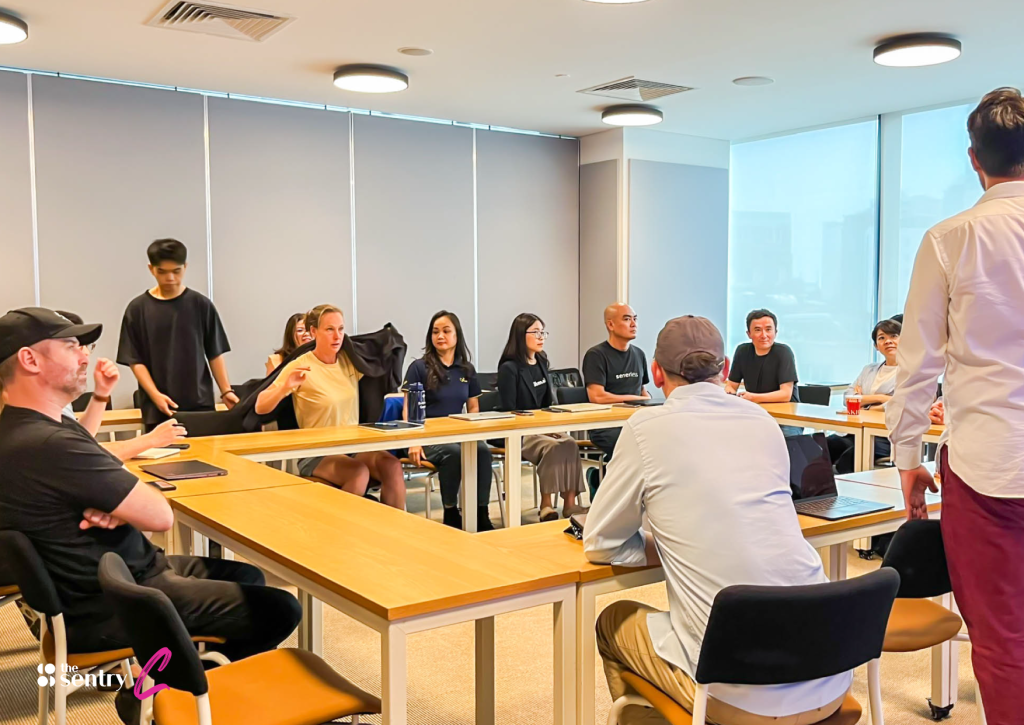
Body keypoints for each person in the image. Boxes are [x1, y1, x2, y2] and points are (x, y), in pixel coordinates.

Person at [0, 307, 301, 724]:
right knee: (282, 608)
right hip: (116, 602)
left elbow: (105, 470)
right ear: (30, 360)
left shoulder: (25, 428)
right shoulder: (48, 442)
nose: (85, 355)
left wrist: (115, 504)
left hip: (111, 580)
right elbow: (159, 514)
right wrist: (123, 502)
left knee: (246, 576)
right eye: (71, 346)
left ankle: (158, 691)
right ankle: (162, 697)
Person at [584, 315, 851, 725]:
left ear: (655, 374)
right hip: (829, 679)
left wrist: (668, 544)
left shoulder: (647, 428)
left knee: (612, 621)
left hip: (738, 696)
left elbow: (601, 544)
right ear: (725, 369)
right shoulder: (763, 421)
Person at [887, 87, 1024, 724]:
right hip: (986, 466)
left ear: (975, 160)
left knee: (1002, 642)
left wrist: (908, 456)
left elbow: (917, 364)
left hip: (986, 470)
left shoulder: (951, 238)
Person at [255, 305, 406, 509]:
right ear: (313, 332)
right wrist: (284, 387)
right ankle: (338, 535)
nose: (337, 336)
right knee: (358, 472)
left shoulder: (349, 361)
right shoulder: (301, 365)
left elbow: (378, 357)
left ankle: (392, 535)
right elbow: (260, 406)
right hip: (317, 453)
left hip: (352, 448)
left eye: (341, 329)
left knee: (392, 466)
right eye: (329, 329)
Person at [117, 239, 239, 431]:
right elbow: (135, 360)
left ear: (185, 267)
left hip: (199, 404)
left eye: (176, 271)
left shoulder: (200, 304)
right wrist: (155, 395)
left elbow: (214, 352)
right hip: (158, 407)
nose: (170, 278)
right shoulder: (137, 309)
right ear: (151, 269)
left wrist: (226, 391)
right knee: (162, 460)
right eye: (162, 272)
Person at [49, 311, 188, 461]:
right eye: (73, 347)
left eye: (84, 346)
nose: (86, 356)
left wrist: (101, 394)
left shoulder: (56, 395)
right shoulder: (38, 407)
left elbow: (81, 439)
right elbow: (79, 455)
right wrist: (151, 440)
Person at [403, 311, 494, 530]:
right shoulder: (418, 368)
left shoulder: (466, 370)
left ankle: (481, 512)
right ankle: (451, 513)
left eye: (446, 331)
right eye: (435, 332)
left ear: (456, 336)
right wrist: (413, 440)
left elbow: (473, 407)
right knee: (453, 454)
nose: (440, 336)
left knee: (482, 451)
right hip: (427, 436)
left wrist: (474, 433)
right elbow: (408, 410)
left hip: (458, 433)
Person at [497, 313, 587, 521]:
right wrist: (537, 427)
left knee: (570, 442)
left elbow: (547, 403)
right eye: (535, 332)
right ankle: (546, 504)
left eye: (543, 332)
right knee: (553, 446)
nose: (541, 337)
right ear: (521, 335)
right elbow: (508, 410)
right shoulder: (509, 369)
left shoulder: (541, 361)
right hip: (519, 431)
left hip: (542, 426)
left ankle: (570, 504)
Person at [582, 304, 650, 489]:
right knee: (631, 446)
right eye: (627, 319)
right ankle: (601, 483)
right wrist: (636, 400)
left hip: (634, 420)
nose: (633, 324)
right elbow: (597, 396)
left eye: (635, 318)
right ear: (611, 325)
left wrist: (650, 403)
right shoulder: (596, 355)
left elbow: (643, 390)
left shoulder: (638, 354)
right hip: (606, 425)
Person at [826, 318, 901, 473]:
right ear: (876, 346)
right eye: (882, 338)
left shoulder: (911, 372)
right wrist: (881, 398)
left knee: (848, 460)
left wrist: (863, 403)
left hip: (886, 437)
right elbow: (848, 398)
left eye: (894, 336)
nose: (888, 341)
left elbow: (901, 403)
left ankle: (852, 496)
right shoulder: (869, 369)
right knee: (824, 447)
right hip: (857, 431)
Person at [725, 308, 798, 403]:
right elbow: (731, 385)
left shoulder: (784, 352)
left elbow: (785, 394)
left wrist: (753, 398)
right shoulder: (742, 351)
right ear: (749, 334)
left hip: (786, 411)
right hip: (756, 409)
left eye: (768, 330)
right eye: (758, 330)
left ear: (775, 332)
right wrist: (730, 393)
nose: (764, 335)